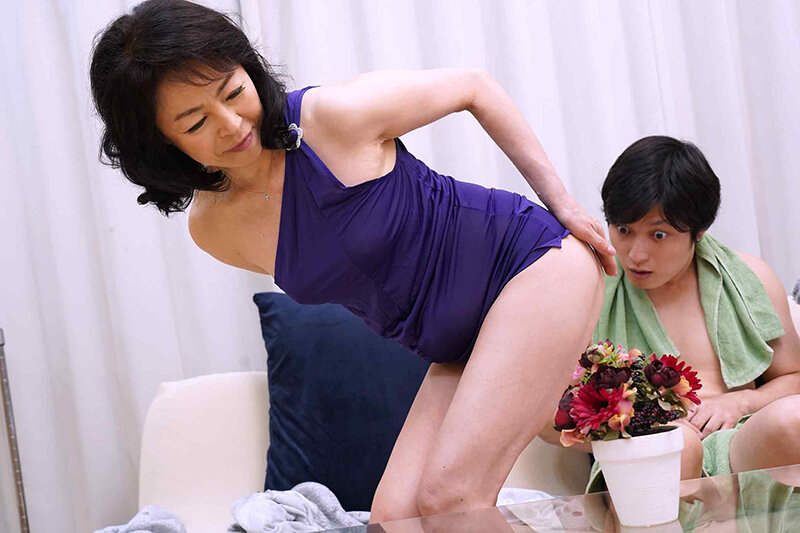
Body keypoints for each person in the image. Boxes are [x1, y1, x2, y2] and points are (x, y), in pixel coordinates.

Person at [90, 0, 611, 520]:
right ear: (160, 143)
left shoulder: (330, 118)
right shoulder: (215, 230)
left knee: (451, 498)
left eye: (233, 92)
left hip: (531, 265)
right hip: (457, 343)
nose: (231, 124)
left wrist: (561, 203)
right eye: (196, 122)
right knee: (395, 519)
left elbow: (474, 87)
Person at [543, 136, 800, 492]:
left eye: (659, 235)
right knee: (678, 446)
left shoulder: (750, 279)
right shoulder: (588, 292)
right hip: (644, 455)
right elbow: (544, 418)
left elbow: (794, 378)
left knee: (792, 418)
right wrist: (638, 429)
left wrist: (741, 401)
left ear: (699, 230)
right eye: (623, 230)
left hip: (739, 442)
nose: (636, 254)